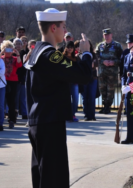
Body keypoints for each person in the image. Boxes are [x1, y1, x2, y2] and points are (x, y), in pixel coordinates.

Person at [24, 8, 93, 188]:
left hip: (39, 121)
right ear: (53, 28)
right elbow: (83, 77)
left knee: (42, 176)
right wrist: (86, 53)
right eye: (63, 26)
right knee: (54, 178)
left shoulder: (37, 51)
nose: (65, 29)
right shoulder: (49, 55)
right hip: (50, 122)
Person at [95, 28, 123, 114]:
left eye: (108, 35)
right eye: (105, 35)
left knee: (110, 90)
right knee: (102, 89)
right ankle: (104, 105)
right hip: (102, 72)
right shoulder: (100, 46)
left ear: (111, 35)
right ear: (103, 36)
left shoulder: (117, 46)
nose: (106, 36)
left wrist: (113, 62)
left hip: (112, 73)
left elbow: (121, 59)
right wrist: (103, 61)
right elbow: (96, 57)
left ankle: (108, 106)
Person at [0, 40, 22, 128]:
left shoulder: (15, 59)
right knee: (0, 101)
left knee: (11, 101)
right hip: (1, 81)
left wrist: (17, 54)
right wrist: (1, 52)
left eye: (9, 49)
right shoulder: (0, 58)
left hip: (13, 81)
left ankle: (12, 119)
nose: (8, 52)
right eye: (6, 49)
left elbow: (20, 65)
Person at [63, 41, 79, 122]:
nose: (70, 49)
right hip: (65, 81)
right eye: (68, 47)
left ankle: (72, 114)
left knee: (75, 99)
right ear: (66, 48)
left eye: (71, 47)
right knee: (66, 99)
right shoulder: (62, 57)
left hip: (74, 81)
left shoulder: (76, 58)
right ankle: (67, 115)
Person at [81, 41, 98, 121]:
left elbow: (96, 64)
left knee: (91, 97)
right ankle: (86, 115)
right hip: (84, 79)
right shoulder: (81, 55)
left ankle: (92, 115)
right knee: (85, 97)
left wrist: (93, 64)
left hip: (93, 78)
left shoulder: (93, 55)